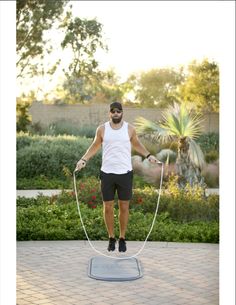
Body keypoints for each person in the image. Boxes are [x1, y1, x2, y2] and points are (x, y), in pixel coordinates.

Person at [76, 101, 160, 252]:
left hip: (125, 173)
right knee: (108, 207)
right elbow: (95, 146)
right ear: (110, 113)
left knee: (124, 207)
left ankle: (122, 238)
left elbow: (137, 144)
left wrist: (149, 156)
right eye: (113, 111)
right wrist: (83, 160)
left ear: (122, 113)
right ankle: (111, 238)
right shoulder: (102, 129)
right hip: (107, 173)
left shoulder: (130, 129)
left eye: (118, 111)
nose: (116, 113)